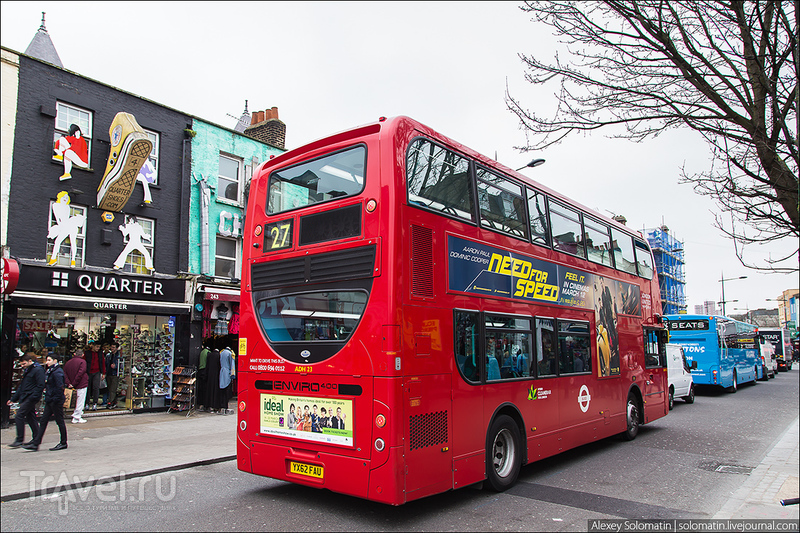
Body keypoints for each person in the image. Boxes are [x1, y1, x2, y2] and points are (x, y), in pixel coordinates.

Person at [23, 355, 68, 451]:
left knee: (59, 421)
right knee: (43, 421)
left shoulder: (57, 372)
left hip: (55, 400)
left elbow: (60, 387)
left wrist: (55, 399)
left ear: (55, 360)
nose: (47, 362)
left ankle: (63, 442)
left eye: (49, 360)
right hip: (50, 399)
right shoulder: (51, 371)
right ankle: (36, 443)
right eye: (47, 360)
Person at [8, 353, 46, 447]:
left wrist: (34, 396)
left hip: (30, 397)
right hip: (26, 396)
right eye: (21, 364)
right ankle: (36, 439)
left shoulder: (37, 370)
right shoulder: (28, 370)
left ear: (30, 361)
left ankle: (20, 439)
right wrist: (14, 398)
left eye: (23, 364)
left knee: (19, 416)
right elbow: (22, 386)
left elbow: (40, 385)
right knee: (30, 417)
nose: (22, 366)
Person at [64, 348, 89, 423]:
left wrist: (69, 383)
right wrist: (74, 383)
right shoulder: (82, 362)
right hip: (81, 384)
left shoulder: (68, 362)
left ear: (74, 354)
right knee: (80, 400)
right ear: (82, 355)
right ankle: (77, 415)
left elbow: (64, 373)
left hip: (71, 383)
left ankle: (76, 416)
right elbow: (81, 373)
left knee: (75, 400)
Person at [85, 342, 106, 410]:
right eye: (97, 347)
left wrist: (103, 373)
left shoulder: (100, 353)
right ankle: (87, 403)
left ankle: (94, 403)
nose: (98, 348)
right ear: (93, 346)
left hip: (97, 371)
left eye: (99, 347)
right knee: (88, 388)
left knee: (96, 387)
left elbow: (102, 362)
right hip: (88, 372)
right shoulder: (87, 353)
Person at [105, 341, 121, 408]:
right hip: (109, 373)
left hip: (115, 374)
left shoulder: (119, 355)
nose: (112, 348)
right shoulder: (109, 355)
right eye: (111, 347)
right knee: (110, 388)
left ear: (117, 348)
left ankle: (110, 402)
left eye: (113, 347)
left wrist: (116, 366)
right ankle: (114, 401)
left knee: (113, 389)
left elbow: (121, 364)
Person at [219, 346, 234, 413]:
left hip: (221, 372)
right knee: (227, 388)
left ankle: (221, 404)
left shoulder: (221, 353)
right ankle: (225, 405)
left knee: (222, 389)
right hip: (227, 372)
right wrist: (233, 375)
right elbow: (232, 365)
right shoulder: (230, 353)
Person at [197, 343, 209, 410]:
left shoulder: (201, 352)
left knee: (200, 388)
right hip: (204, 371)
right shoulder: (207, 353)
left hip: (200, 370)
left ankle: (200, 403)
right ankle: (203, 403)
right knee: (204, 388)